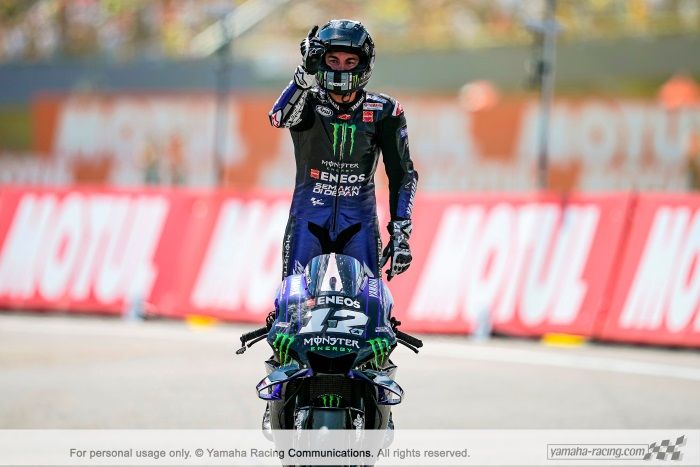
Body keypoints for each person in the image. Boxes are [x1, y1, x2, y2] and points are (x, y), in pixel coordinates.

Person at [269, 19, 418, 283]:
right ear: (319, 62)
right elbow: (278, 118)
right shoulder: (307, 99)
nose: (341, 68)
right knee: (292, 309)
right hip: (308, 220)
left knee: (371, 309)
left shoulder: (385, 110)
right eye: (333, 60)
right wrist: (303, 75)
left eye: (349, 62)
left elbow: (402, 175)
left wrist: (400, 234)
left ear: (364, 63)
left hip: (359, 223)